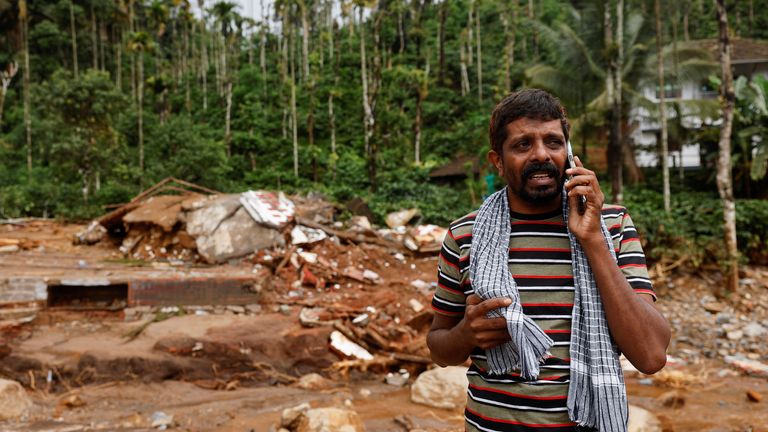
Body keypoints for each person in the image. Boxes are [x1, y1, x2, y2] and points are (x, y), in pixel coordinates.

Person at [427, 89, 670, 432]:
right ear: (497, 160)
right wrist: (466, 334)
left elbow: (651, 356)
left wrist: (592, 240)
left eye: (553, 142)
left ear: (569, 152)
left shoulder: (612, 226)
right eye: (523, 144)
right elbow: (439, 349)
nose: (541, 154)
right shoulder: (464, 235)